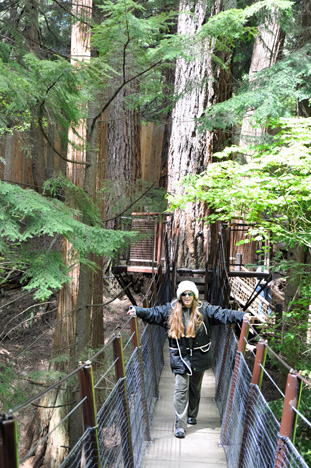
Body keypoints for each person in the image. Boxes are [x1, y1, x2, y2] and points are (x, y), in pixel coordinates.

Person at [127, 280, 248, 439]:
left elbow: (223, 313)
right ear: (179, 296)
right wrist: (137, 310)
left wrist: (242, 316)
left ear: (194, 295)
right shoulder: (170, 311)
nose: (187, 296)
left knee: (195, 388)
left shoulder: (204, 310)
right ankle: (180, 424)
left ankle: (192, 414)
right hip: (181, 357)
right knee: (180, 389)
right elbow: (153, 313)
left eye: (190, 293)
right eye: (183, 294)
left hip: (200, 356)